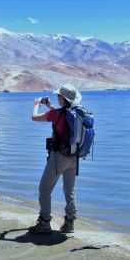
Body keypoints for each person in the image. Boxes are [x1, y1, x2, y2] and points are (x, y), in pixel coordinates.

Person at [29, 84, 82, 234]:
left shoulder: (57, 114)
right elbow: (60, 117)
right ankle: (69, 224)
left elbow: (34, 118)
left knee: (44, 189)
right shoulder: (76, 113)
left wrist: (36, 105)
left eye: (58, 96)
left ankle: (44, 223)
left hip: (58, 157)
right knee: (69, 191)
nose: (57, 97)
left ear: (63, 99)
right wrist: (50, 106)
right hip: (74, 157)